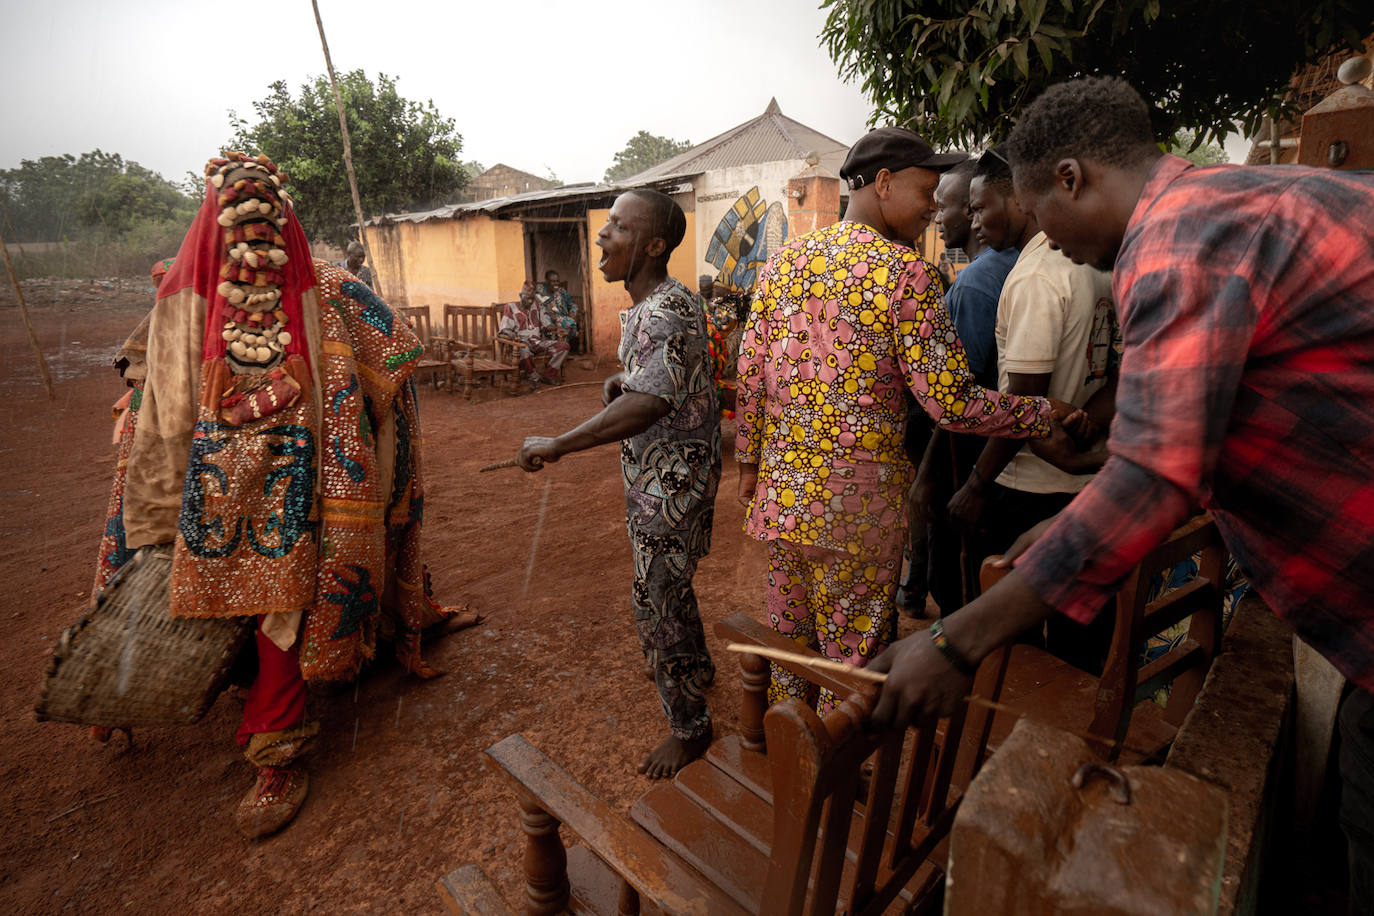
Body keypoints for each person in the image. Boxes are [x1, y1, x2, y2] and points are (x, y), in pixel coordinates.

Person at [863, 76, 1374, 912]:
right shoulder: (1226, 205)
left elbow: (1155, 474)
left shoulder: (1175, 241)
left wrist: (955, 644)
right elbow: (1183, 430)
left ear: (1070, 178)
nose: (1049, 243)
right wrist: (1078, 506)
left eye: (1039, 216)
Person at [113, 152, 465, 839]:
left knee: (289, 605)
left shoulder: (332, 293)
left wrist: (363, 464)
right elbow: (140, 396)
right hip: (214, 499)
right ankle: (274, 715)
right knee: (235, 605)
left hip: (309, 496)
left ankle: (279, 748)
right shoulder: (183, 303)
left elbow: (394, 376)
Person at [735, 126, 1069, 713]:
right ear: (883, 184)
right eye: (926, 190)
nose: (933, 209)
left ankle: (787, 770)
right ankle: (838, 779)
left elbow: (753, 376)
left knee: (792, 643)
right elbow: (952, 403)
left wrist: (747, 464)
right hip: (856, 513)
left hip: (782, 498)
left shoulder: (781, 265)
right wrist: (1043, 413)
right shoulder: (904, 274)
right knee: (854, 662)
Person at [517, 189, 720, 779]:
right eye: (606, 227)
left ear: (653, 245)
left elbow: (649, 405)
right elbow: (661, 378)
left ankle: (690, 726)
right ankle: (697, 665)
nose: (602, 237)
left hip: (670, 492)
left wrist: (558, 443)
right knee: (673, 586)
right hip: (665, 483)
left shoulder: (664, 310)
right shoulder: (663, 300)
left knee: (655, 599)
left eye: (617, 228)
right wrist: (623, 379)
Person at [944, 147, 1118, 669]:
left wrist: (976, 486)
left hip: (1025, 487)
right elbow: (1116, 372)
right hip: (1083, 485)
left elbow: (1020, 400)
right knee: (1081, 643)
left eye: (981, 207)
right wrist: (1088, 423)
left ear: (1018, 198)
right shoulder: (1098, 264)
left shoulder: (1039, 275)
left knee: (1006, 647)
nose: (975, 222)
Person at [902, 156, 1023, 615]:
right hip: (1000, 457)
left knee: (955, 584)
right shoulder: (1018, 264)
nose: (938, 214)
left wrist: (928, 477)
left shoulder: (974, 283)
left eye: (948, 205)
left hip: (965, 459)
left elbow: (956, 397)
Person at [500, 281, 570, 387]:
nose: (530, 301)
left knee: (564, 346)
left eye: (532, 298)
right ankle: (533, 376)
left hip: (538, 342)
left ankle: (548, 375)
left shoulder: (537, 306)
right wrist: (511, 335)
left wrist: (558, 327)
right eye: (527, 298)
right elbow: (504, 329)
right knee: (523, 349)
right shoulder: (510, 307)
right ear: (520, 295)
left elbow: (546, 326)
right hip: (521, 343)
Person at [536, 269, 579, 350]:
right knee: (550, 325)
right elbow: (537, 308)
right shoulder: (540, 292)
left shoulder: (561, 291)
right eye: (553, 281)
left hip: (561, 317)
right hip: (546, 318)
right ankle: (555, 349)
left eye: (557, 281)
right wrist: (548, 313)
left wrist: (573, 312)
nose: (556, 284)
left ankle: (563, 348)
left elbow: (572, 304)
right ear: (547, 281)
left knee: (571, 323)